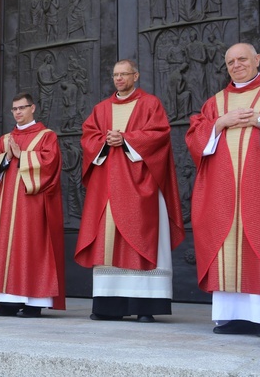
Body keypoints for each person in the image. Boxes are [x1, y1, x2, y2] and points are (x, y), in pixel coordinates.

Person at [185, 42, 260, 337]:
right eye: (230, 62)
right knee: (225, 244)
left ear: (257, 59)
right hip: (223, 190)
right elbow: (194, 135)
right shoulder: (216, 102)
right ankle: (232, 317)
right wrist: (219, 124)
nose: (237, 65)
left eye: (242, 59)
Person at [75, 59, 185, 322]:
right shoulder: (101, 109)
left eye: (124, 74)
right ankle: (108, 306)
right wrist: (104, 140)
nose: (119, 79)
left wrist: (126, 139)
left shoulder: (150, 104)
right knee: (108, 241)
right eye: (115, 75)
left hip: (140, 183)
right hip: (108, 187)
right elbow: (88, 136)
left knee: (142, 236)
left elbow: (159, 135)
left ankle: (145, 307)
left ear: (136, 75)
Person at [0, 92, 65, 318]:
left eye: (22, 108)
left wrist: (22, 156)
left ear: (32, 108)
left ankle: (34, 303)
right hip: (7, 205)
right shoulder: (6, 138)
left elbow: (50, 164)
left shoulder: (47, 136)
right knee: (6, 245)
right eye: (14, 109)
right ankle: (6, 301)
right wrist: (6, 158)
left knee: (31, 247)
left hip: (32, 205)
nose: (17, 112)